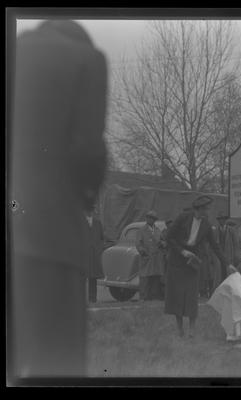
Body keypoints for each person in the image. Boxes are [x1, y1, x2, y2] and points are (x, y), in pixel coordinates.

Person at [9, 20, 108, 378]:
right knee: (56, 366)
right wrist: (85, 199)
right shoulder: (86, 58)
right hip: (51, 235)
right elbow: (88, 150)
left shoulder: (15, 47)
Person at [164, 196, 238, 338]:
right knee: (177, 297)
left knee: (192, 298)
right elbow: (169, 237)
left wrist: (227, 264)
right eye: (206, 209)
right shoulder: (183, 217)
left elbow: (215, 246)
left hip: (193, 263)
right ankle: (180, 330)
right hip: (177, 262)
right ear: (199, 209)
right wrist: (182, 251)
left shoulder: (206, 224)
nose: (208, 211)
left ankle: (192, 331)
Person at [135, 210, 165, 301]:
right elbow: (138, 243)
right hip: (147, 258)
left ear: (155, 220)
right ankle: (143, 297)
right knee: (145, 278)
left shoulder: (158, 230)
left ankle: (154, 297)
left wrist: (162, 244)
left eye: (152, 218)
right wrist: (142, 251)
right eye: (148, 217)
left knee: (155, 278)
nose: (150, 220)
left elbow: (163, 241)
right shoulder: (141, 230)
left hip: (156, 258)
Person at [85, 205, 107, 303]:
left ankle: (92, 298)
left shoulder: (98, 223)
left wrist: (99, 248)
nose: (90, 211)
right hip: (83, 254)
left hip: (94, 255)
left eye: (91, 209)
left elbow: (102, 238)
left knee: (93, 278)